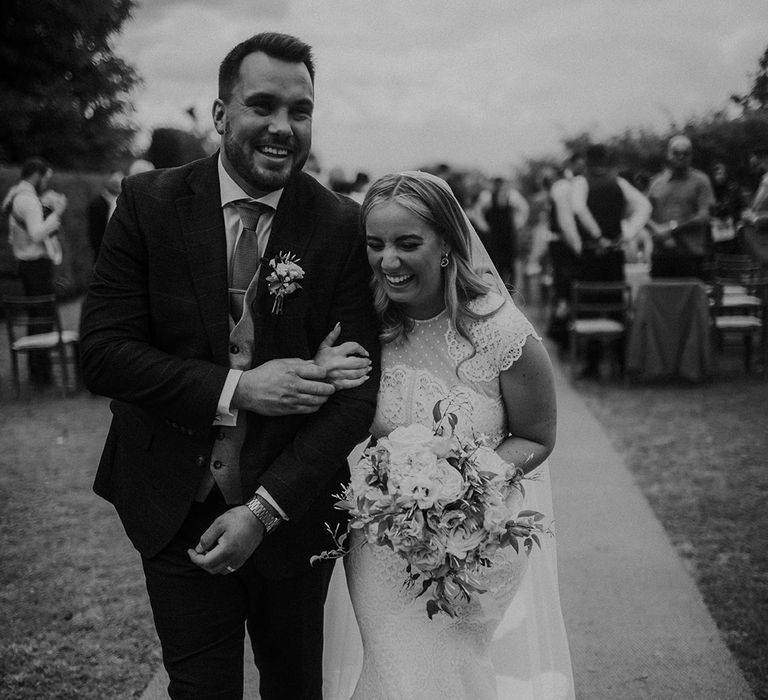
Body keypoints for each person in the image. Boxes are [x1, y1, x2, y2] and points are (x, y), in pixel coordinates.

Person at [79, 32, 380, 699]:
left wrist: (264, 510)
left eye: (299, 110)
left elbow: (357, 397)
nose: (282, 126)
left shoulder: (338, 226)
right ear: (221, 115)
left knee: (295, 687)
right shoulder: (149, 204)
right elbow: (102, 352)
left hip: (292, 512)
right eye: (262, 105)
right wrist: (241, 388)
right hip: (172, 503)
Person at [323, 171, 574, 699]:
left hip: (473, 545)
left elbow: (537, 436)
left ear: (446, 245)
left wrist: (469, 484)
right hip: (382, 546)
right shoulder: (363, 325)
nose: (388, 261)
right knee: (397, 671)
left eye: (407, 243)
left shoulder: (504, 337)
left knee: (446, 674)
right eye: (375, 245)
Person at [1, 157, 68, 385]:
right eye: (45, 179)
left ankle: (39, 372)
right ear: (37, 175)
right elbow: (37, 233)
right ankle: (41, 375)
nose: (46, 184)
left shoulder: (15, 195)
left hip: (26, 263)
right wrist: (57, 213)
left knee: (37, 317)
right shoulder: (28, 200)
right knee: (42, 318)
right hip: (35, 264)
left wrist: (45, 203)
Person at [646, 135, 715, 278]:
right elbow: (644, 214)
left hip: (690, 254)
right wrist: (657, 230)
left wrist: (672, 228)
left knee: (690, 298)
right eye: (676, 153)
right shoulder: (657, 183)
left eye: (686, 153)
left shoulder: (701, 181)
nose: (681, 157)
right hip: (661, 254)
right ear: (668, 155)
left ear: (691, 156)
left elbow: (704, 216)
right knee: (661, 298)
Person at [476, 176, 530, 287]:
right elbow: (477, 212)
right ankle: (497, 288)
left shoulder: (513, 196)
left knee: (510, 263)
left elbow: (524, 209)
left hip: (509, 234)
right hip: (494, 235)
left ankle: (510, 289)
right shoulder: (486, 196)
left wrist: (518, 224)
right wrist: (484, 226)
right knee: (495, 262)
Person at [87, 169, 123, 258]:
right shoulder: (97, 204)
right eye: (114, 181)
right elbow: (95, 234)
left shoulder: (126, 202)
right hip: (103, 253)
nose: (117, 184)